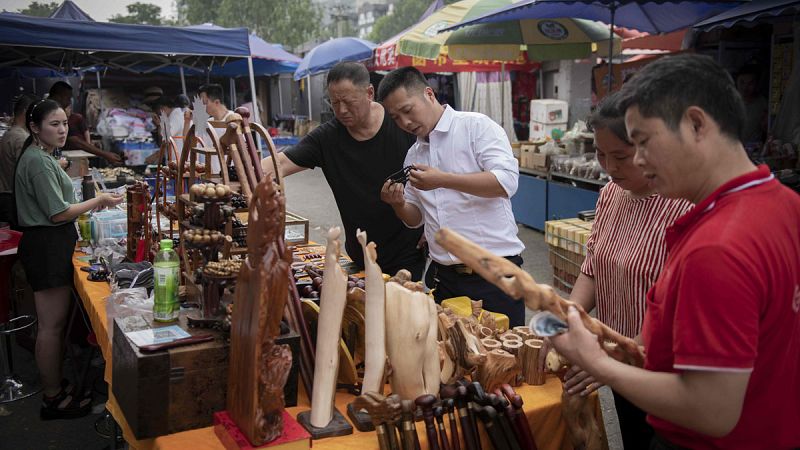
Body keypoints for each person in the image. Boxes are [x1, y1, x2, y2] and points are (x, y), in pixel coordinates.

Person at [550, 54, 800, 449]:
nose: (640, 160)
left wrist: (598, 363)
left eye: (643, 142)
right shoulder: (784, 202)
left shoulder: (716, 248)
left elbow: (711, 411)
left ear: (696, 124)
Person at [562, 92, 693, 449]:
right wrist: (570, 316)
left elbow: (680, 307)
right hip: (619, 361)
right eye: (600, 155)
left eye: (620, 156)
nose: (610, 167)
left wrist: (611, 358)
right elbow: (593, 265)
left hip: (663, 370)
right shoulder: (611, 194)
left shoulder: (684, 206)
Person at [377, 67, 526, 326]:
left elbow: (505, 182)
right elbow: (415, 219)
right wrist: (398, 203)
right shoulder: (414, 155)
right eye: (396, 118)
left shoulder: (475, 127)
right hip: (443, 277)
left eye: (408, 110)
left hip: (494, 274)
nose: (405, 122)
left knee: (503, 359)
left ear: (429, 94)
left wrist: (443, 179)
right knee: (451, 358)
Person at [260, 62, 424, 278]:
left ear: (369, 93)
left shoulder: (401, 124)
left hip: (408, 253)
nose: (342, 110)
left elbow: (437, 173)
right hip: (360, 255)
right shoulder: (327, 138)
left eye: (348, 102)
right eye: (334, 103)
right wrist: (236, 165)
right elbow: (276, 164)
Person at [14, 99, 124, 420]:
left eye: (64, 123)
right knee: (51, 326)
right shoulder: (36, 161)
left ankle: (57, 386)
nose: (62, 130)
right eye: (54, 124)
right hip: (46, 246)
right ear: (35, 128)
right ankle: (52, 398)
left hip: (51, 242)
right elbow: (59, 213)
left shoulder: (43, 157)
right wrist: (99, 199)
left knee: (55, 324)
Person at [47, 81, 121, 165]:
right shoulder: (49, 111)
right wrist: (105, 154)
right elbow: (75, 141)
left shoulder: (54, 110)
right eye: (67, 98)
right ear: (58, 96)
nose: (69, 102)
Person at [0, 94, 35, 224]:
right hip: (12, 199)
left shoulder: (10, 134)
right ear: (26, 112)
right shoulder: (21, 138)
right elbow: (28, 172)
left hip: (7, 196)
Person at [735, 64, 768, 144]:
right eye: (742, 82)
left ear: (756, 84)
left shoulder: (763, 103)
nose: (745, 87)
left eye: (750, 83)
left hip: (754, 149)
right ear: (736, 82)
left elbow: (767, 128)